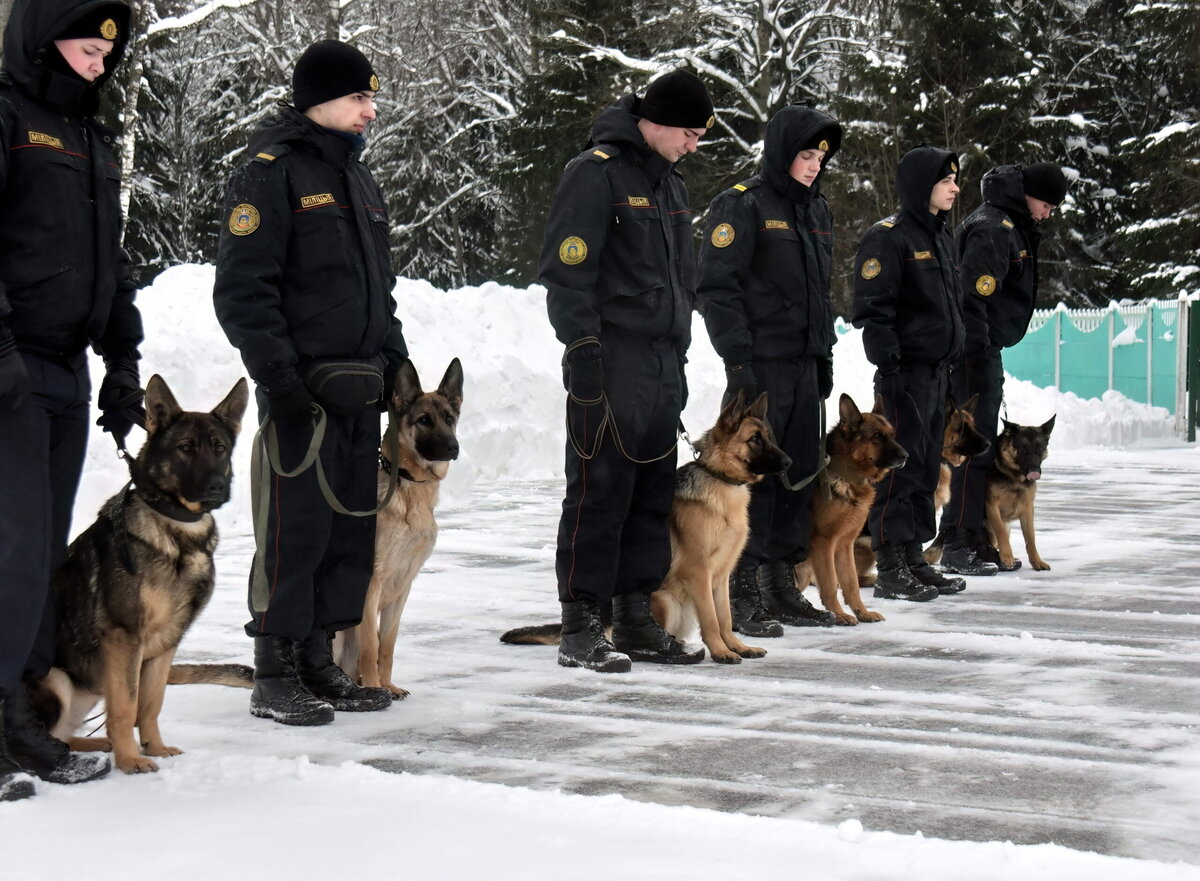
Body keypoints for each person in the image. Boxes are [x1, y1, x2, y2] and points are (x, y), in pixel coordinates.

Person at [213, 40, 406, 725]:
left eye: (370, 97)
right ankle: (275, 666)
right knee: (294, 532)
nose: (370, 111)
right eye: (359, 97)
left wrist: (398, 362)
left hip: (361, 388)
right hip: (303, 395)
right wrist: (280, 380)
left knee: (348, 531)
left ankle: (320, 657)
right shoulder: (271, 174)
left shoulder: (359, 181)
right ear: (319, 99)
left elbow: (379, 289)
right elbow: (243, 290)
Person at [0, 0, 147, 799]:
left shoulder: (91, 139)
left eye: (105, 54)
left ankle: (22, 718)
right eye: (87, 49)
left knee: (42, 557)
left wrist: (121, 360)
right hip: (10, 367)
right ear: (43, 42)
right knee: (10, 552)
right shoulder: (8, 117)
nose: (99, 64)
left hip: (66, 370)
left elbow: (110, 261)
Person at [538, 70, 714, 672]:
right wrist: (582, 348)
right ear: (657, 121)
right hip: (609, 358)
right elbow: (567, 271)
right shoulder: (597, 172)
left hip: (661, 363)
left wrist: (680, 354)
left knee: (649, 494)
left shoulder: (670, 184)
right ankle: (581, 622)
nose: (693, 145)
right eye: (688, 133)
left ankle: (635, 614)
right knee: (598, 492)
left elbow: (681, 281)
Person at [697, 104, 841, 635]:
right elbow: (717, 288)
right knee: (754, 481)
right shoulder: (743, 206)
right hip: (761, 370)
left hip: (805, 367)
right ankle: (742, 586)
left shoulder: (817, 211)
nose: (814, 165)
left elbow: (820, 297)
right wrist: (739, 362)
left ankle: (781, 583)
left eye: (820, 157)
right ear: (783, 154)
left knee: (799, 473)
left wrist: (824, 357)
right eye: (805, 154)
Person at [938, 162, 1068, 575]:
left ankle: (972, 535)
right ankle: (959, 540)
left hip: (981, 347)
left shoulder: (1007, 222)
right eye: (1045, 204)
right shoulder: (996, 228)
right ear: (1026, 194)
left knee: (980, 451)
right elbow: (971, 297)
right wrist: (975, 353)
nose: (1046, 213)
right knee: (970, 450)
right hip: (972, 352)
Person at [851, 145, 968, 602]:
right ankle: (891, 562)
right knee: (898, 470)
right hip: (906, 375)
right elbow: (872, 309)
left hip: (937, 375)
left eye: (955, 180)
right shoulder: (889, 237)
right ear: (923, 187)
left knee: (923, 468)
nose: (955, 188)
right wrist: (891, 365)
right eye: (946, 181)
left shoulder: (941, 236)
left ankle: (914, 555)